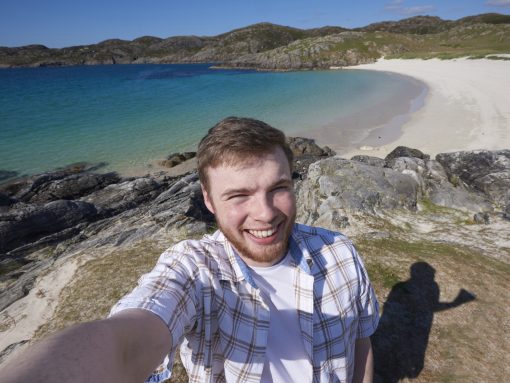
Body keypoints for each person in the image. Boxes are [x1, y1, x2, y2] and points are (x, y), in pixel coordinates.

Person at [0, 117, 379, 383]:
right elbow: (126, 342)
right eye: (239, 195)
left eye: (278, 188)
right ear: (209, 201)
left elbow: (360, 342)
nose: (265, 213)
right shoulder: (195, 269)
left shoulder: (340, 254)